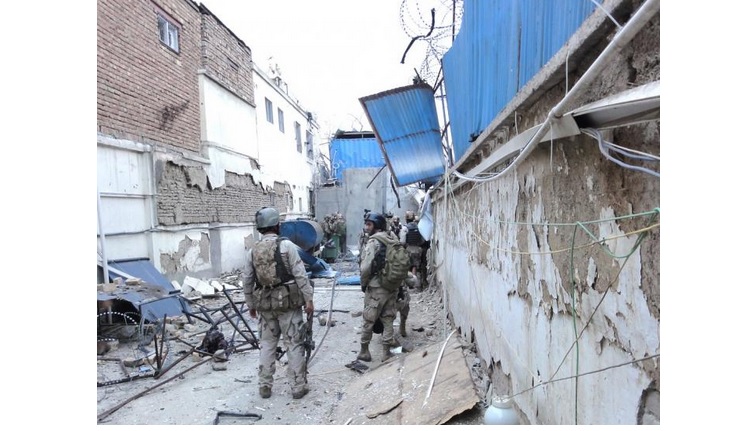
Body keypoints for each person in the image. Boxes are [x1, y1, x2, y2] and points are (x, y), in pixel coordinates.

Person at [243, 207, 314, 400]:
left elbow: (248, 280)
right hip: (288, 305)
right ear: (277, 225)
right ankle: (298, 387)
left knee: (267, 344)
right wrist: (308, 299)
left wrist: (250, 304)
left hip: (265, 306)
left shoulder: (253, 250)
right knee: (294, 344)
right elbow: (300, 274)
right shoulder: (287, 246)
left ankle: (265, 385)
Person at [357, 212, 401, 362]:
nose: (366, 227)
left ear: (377, 226)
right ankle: (386, 353)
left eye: (369, 224)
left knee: (369, 319)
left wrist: (364, 284)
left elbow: (365, 268)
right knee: (388, 318)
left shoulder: (373, 242)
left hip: (376, 287)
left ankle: (364, 351)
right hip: (392, 286)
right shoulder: (392, 239)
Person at [400, 210, 427, 289]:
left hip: (408, 249)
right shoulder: (419, 227)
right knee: (416, 266)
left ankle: (409, 285)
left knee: (407, 266)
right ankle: (417, 284)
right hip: (418, 249)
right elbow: (423, 239)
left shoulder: (405, 228)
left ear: (406, 218)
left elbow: (402, 241)